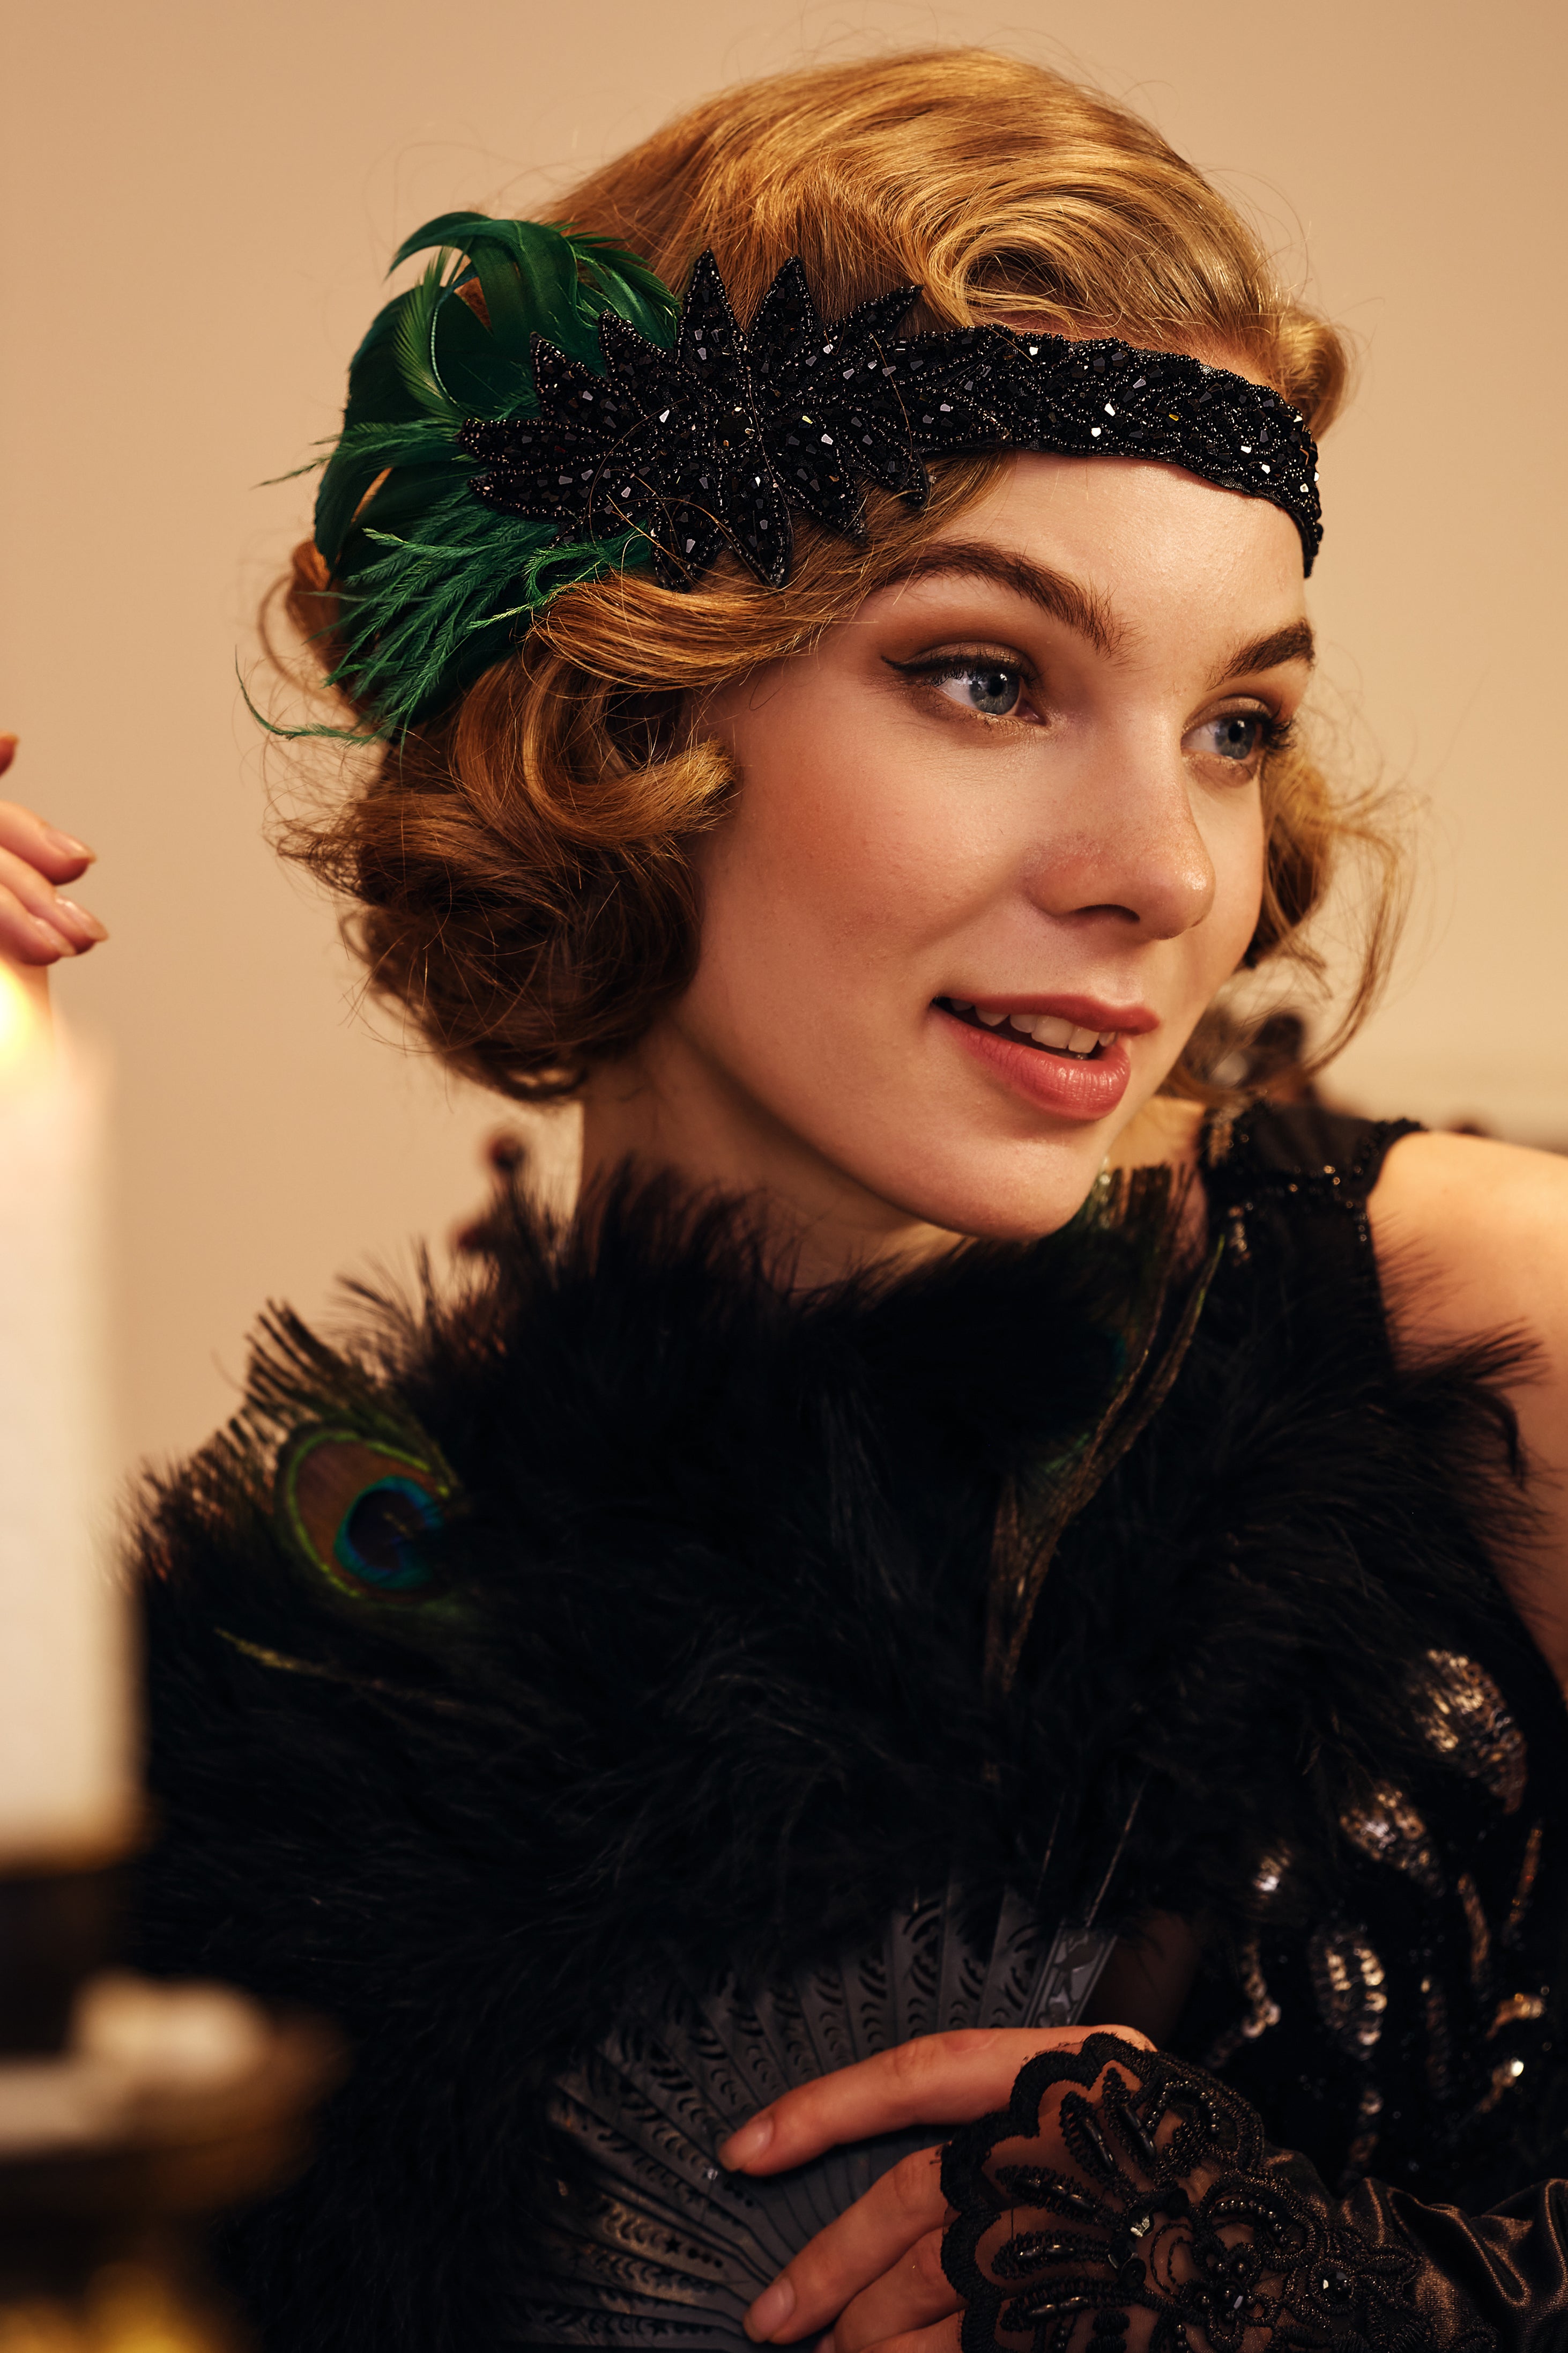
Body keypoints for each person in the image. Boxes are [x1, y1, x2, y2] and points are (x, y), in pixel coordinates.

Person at [8, 46, 1568, 2352]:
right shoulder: (292, 1672)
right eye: (987, 675)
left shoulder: (1491, 1325)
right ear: (625, 712)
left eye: (1237, 724)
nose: (1165, 871)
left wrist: (1282, 2286)